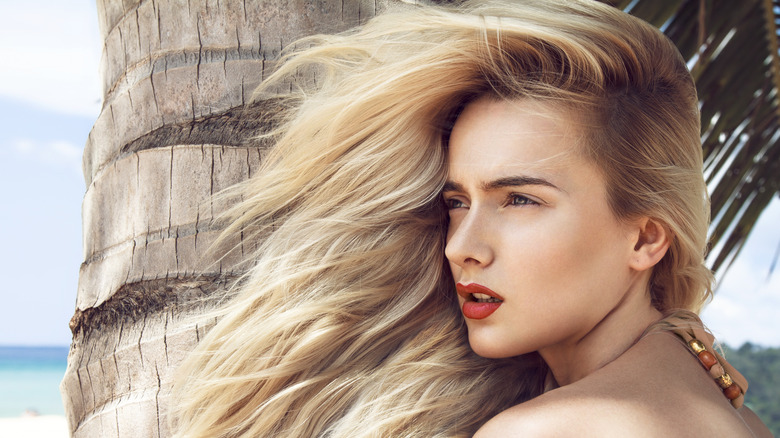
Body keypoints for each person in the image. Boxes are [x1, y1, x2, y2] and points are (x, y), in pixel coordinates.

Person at [171, 1, 772, 436]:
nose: (463, 246)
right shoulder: (734, 414)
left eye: (520, 200)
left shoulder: (551, 431)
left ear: (645, 237)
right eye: (457, 201)